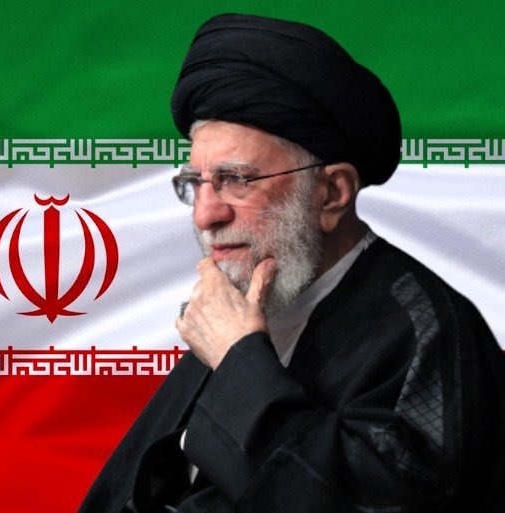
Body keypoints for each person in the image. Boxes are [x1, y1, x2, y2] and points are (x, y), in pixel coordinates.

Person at [79, 13, 505, 513]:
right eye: (195, 183)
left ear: (331, 193)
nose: (204, 215)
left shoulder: (428, 331)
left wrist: (239, 360)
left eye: (236, 180)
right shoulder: (246, 313)